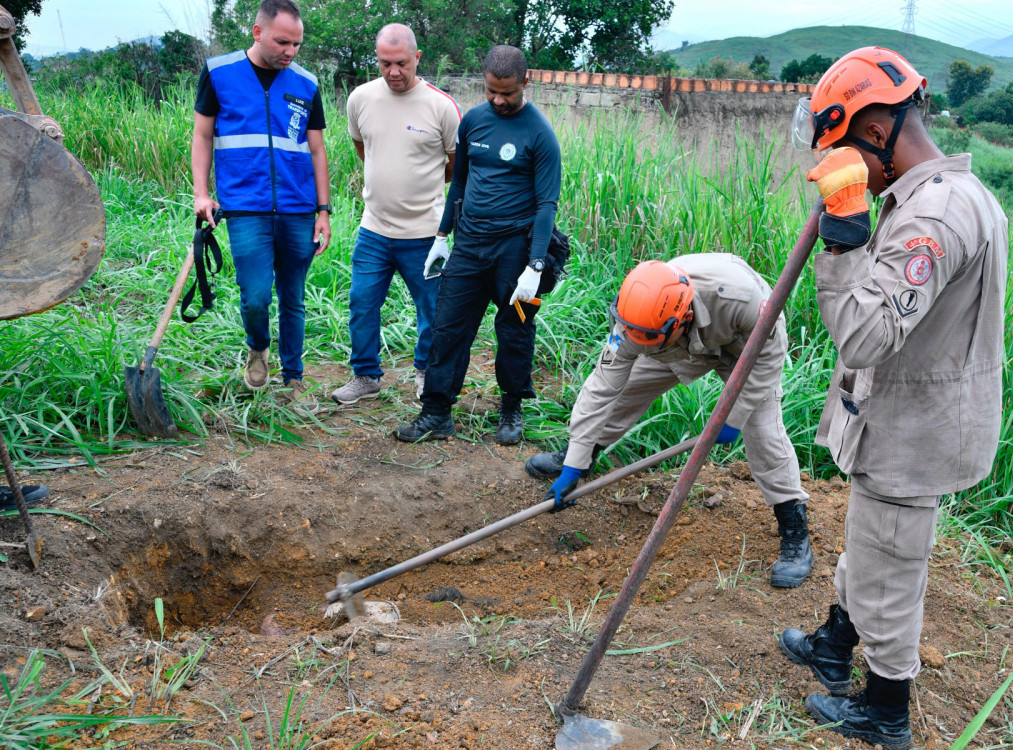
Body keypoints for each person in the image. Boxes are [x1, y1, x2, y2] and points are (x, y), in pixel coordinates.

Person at [777, 47, 1008, 750]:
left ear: (876, 132)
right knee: (869, 550)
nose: (843, 166)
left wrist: (844, 246)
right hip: (900, 419)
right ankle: (833, 643)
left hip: (915, 433)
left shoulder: (932, 218)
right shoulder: (927, 199)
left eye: (844, 147)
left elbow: (868, 338)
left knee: (891, 573)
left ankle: (884, 714)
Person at [527, 254, 814, 588]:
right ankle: (581, 458)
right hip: (671, 344)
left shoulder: (745, 301)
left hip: (741, 344)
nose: (633, 341)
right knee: (625, 391)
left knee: (763, 430)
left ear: (683, 317)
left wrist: (734, 418)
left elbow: (768, 360)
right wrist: (575, 461)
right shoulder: (637, 316)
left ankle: (794, 525)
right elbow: (601, 388)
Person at [394, 44, 561, 446]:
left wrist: (535, 265)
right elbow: (461, 184)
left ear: (526, 81)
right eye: (491, 91)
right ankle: (436, 412)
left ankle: (511, 407)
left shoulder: (540, 134)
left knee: (516, 329)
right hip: (469, 245)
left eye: (507, 93)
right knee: (448, 327)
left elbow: (546, 205)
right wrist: (441, 236)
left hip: (515, 249)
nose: (499, 100)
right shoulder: (472, 122)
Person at [190, 0, 332, 413]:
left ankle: (293, 376)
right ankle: (258, 348)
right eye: (282, 42)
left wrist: (324, 211)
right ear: (257, 32)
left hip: (298, 208)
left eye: (297, 44)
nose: (290, 51)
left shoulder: (306, 83)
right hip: (245, 206)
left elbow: (318, 149)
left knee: (293, 296)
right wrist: (202, 193)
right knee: (255, 297)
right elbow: (202, 135)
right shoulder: (219, 73)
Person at [331, 23, 461, 405]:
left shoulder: (442, 106)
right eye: (385, 63)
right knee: (361, 303)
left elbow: (455, 167)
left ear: (417, 58)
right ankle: (366, 377)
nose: (393, 72)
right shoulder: (360, 99)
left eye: (402, 63)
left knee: (432, 310)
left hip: (425, 234)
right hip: (373, 229)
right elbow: (363, 148)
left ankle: (425, 373)